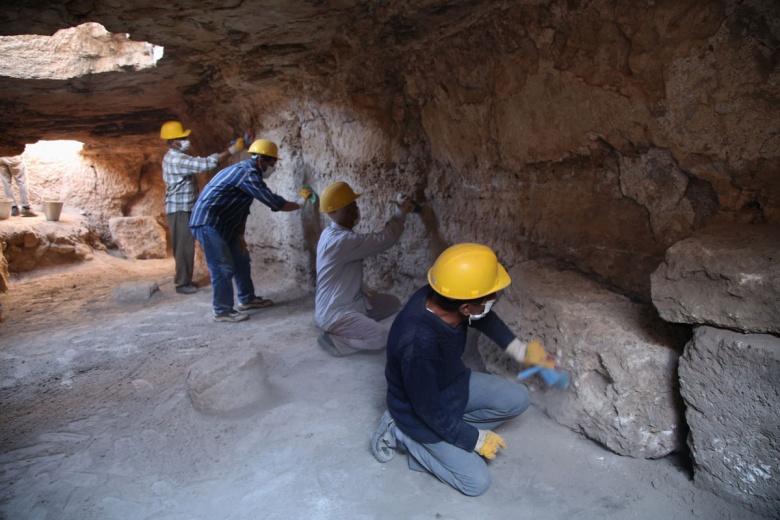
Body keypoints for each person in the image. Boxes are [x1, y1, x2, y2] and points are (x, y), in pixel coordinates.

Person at [370, 243, 557, 496]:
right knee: (476, 482)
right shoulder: (418, 344)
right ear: (465, 308)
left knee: (518, 399)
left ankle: (450, 429)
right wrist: (473, 439)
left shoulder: (446, 295)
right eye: (489, 297)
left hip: (451, 385)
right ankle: (402, 433)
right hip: (416, 410)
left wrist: (519, 350)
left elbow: (485, 317)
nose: (494, 299)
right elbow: (428, 408)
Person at [189, 139, 310, 323]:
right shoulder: (247, 174)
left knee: (241, 259)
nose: (273, 167)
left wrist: (240, 236)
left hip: (224, 225)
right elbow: (273, 201)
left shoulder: (248, 172)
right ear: (261, 161)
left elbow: (242, 209)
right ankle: (222, 311)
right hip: (207, 223)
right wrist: (300, 203)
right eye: (272, 163)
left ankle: (247, 299)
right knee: (222, 267)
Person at [314, 181, 417, 356]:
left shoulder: (329, 233)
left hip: (348, 302)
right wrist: (400, 213)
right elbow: (385, 239)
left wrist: (363, 288)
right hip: (336, 313)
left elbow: (338, 270)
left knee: (392, 303)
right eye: (353, 205)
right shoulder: (342, 242)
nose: (357, 209)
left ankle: (355, 325)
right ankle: (338, 342)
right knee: (382, 337)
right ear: (345, 211)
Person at [160, 121, 245, 295]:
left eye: (185, 137)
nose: (186, 140)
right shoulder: (177, 159)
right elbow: (206, 164)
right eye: (181, 138)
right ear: (171, 142)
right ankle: (182, 283)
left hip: (183, 206)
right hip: (179, 209)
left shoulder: (176, 156)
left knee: (186, 244)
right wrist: (233, 150)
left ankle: (185, 280)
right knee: (183, 246)